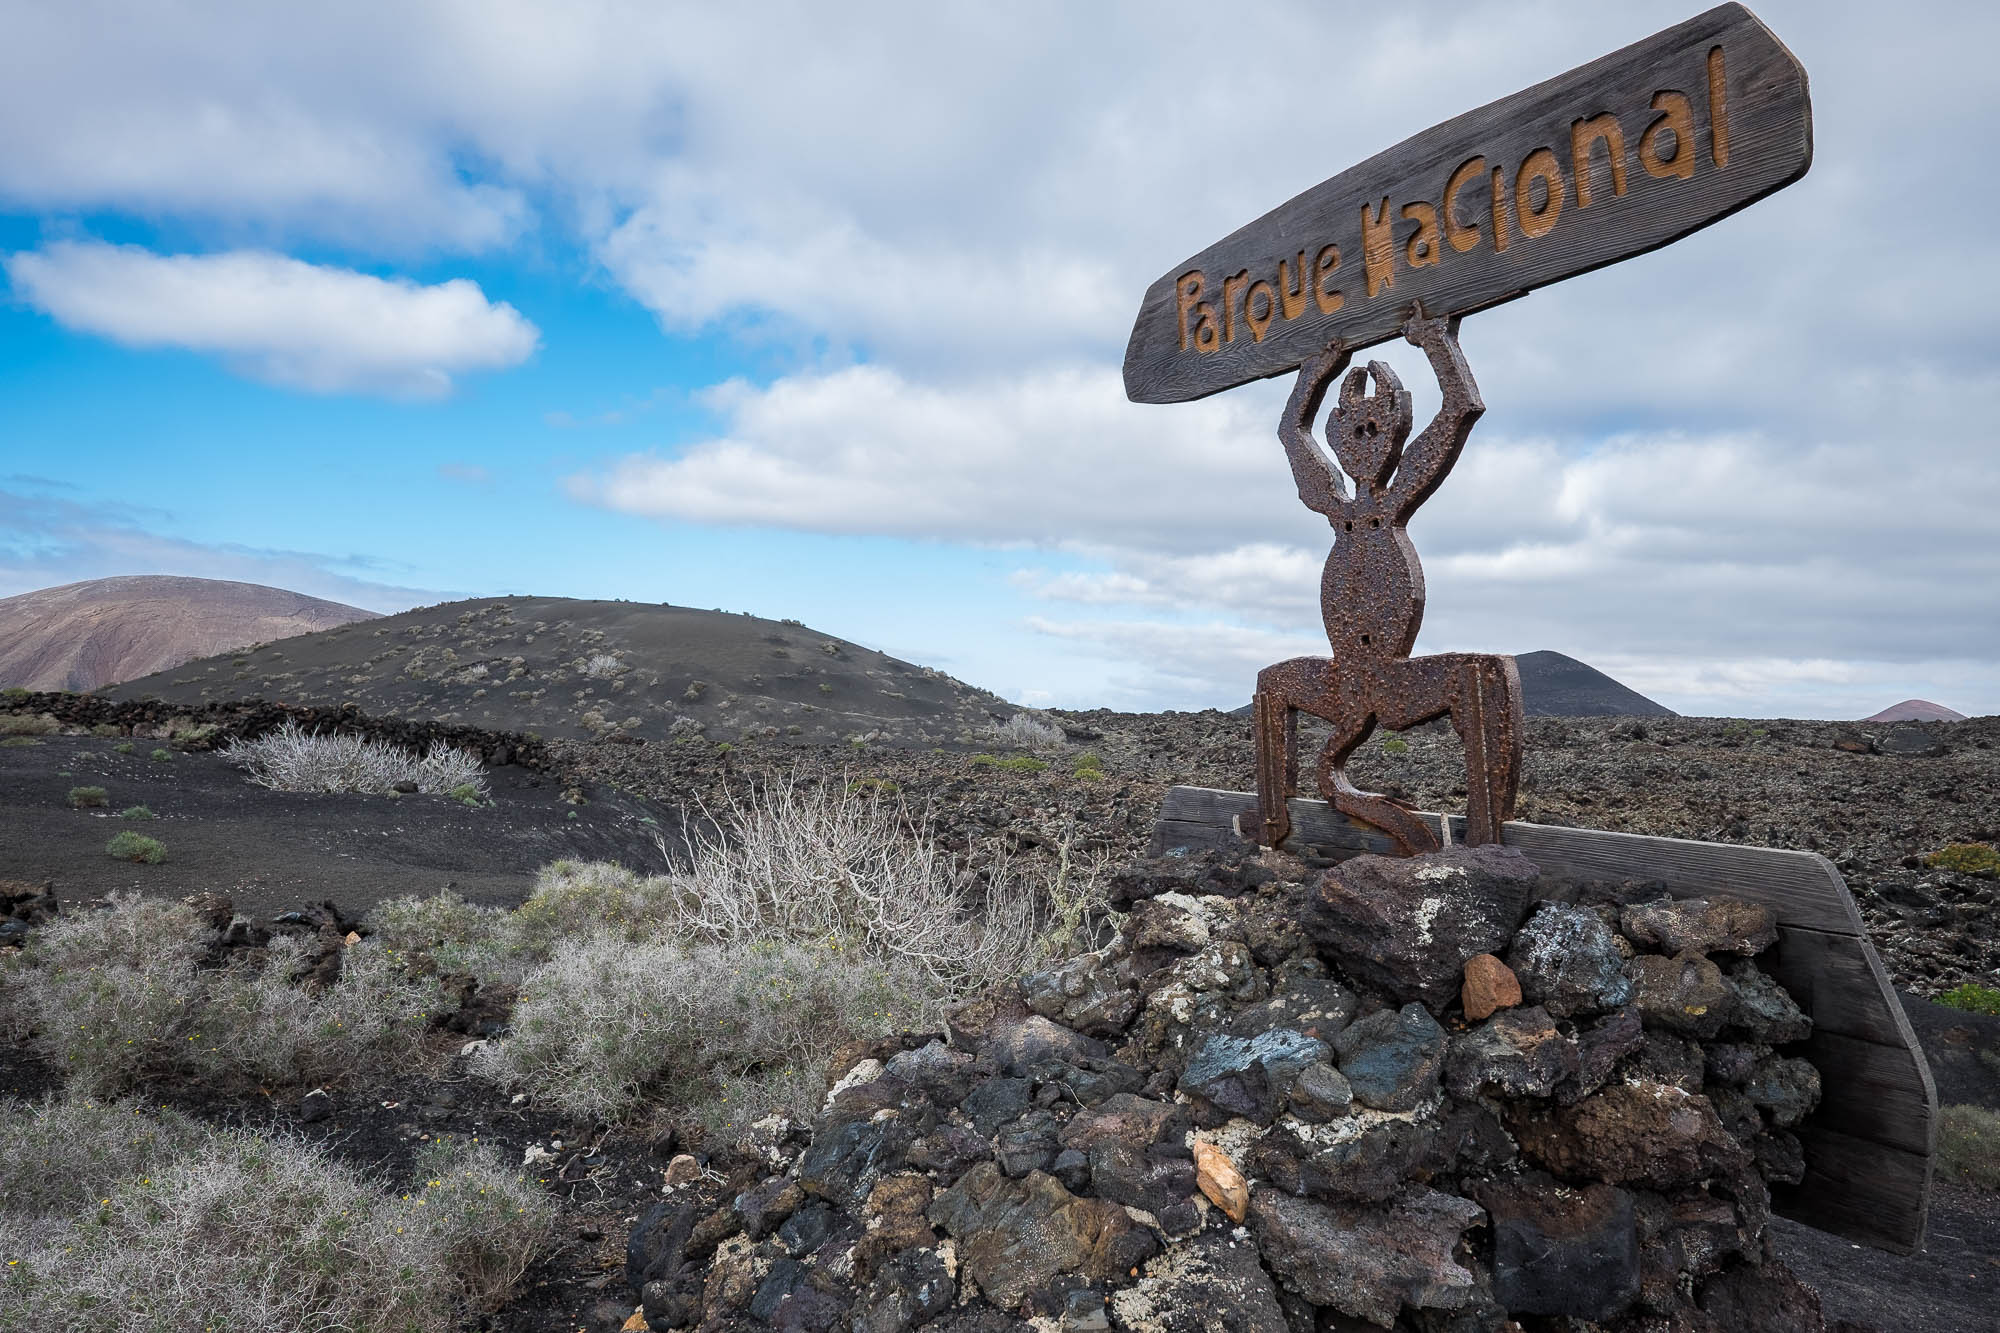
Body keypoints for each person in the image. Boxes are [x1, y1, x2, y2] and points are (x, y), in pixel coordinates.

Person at [1253, 300, 1522, 854]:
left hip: (1392, 679)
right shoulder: (1329, 502)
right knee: (1272, 683)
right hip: (1341, 674)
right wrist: (1313, 372)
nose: (1363, 441)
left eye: (1376, 427)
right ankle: (1272, 824)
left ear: (1396, 430)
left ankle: (1486, 839)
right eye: (1351, 430)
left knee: (1486, 675)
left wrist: (1435, 343)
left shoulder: (1400, 492)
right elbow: (1290, 433)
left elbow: (1458, 409)